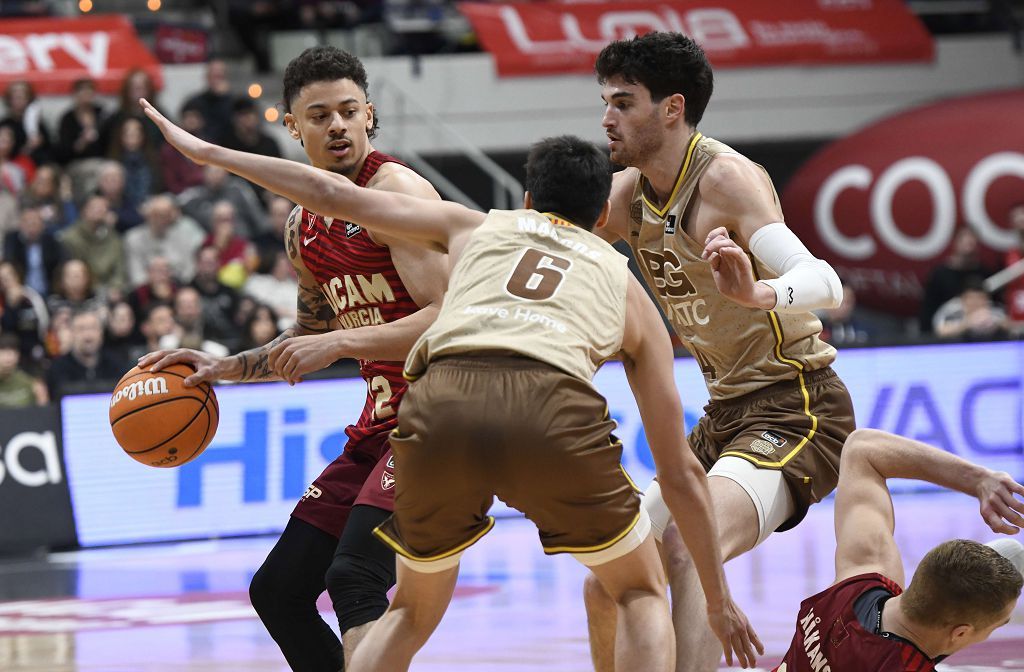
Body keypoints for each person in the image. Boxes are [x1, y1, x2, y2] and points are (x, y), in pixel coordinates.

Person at [142, 94, 764, 669]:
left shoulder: (473, 225)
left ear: (524, 201)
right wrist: (716, 596)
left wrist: (207, 153)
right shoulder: (628, 291)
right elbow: (678, 470)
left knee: (409, 612)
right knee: (636, 590)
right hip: (548, 408)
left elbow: (324, 192)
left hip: (438, 406)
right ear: (604, 213)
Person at [137, 46, 449, 671]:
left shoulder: (396, 193)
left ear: (370, 116)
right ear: (292, 126)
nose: (336, 126)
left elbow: (451, 317)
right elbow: (308, 335)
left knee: (354, 576)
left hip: (443, 416)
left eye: (348, 111)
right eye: (319, 115)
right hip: (381, 426)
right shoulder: (303, 226)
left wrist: (341, 342)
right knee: (277, 592)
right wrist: (222, 366)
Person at [585, 32, 856, 672]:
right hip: (723, 416)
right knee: (607, 581)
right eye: (605, 102)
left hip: (797, 411)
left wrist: (760, 291)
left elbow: (826, 283)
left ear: (672, 108)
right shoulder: (625, 196)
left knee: (682, 547)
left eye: (623, 103)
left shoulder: (725, 179)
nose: (606, 118)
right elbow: (538, 239)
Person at [773, 428, 1024, 671]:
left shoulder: (859, 579)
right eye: (998, 624)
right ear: (960, 632)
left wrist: (978, 480)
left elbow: (862, 448)